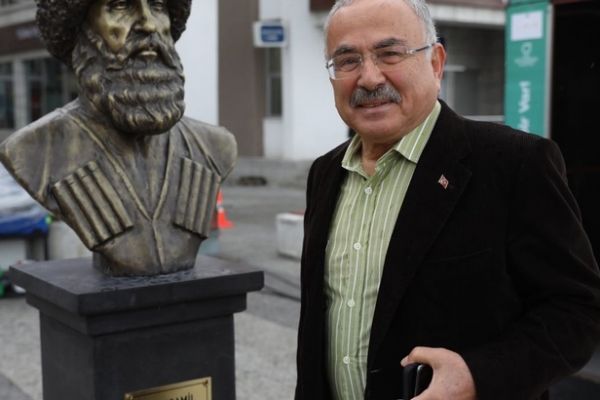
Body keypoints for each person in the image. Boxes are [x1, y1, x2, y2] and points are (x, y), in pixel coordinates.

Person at [295, 0, 600, 399]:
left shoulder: (514, 163)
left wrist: (477, 376)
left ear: (436, 63)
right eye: (348, 60)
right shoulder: (325, 173)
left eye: (390, 53)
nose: (369, 78)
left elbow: (578, 310)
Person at [0, 0, 237, 276]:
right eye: (121, 6)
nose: (149, 24)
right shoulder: (36, 150)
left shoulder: (214, 146)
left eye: (158, 6)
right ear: (82, 30)